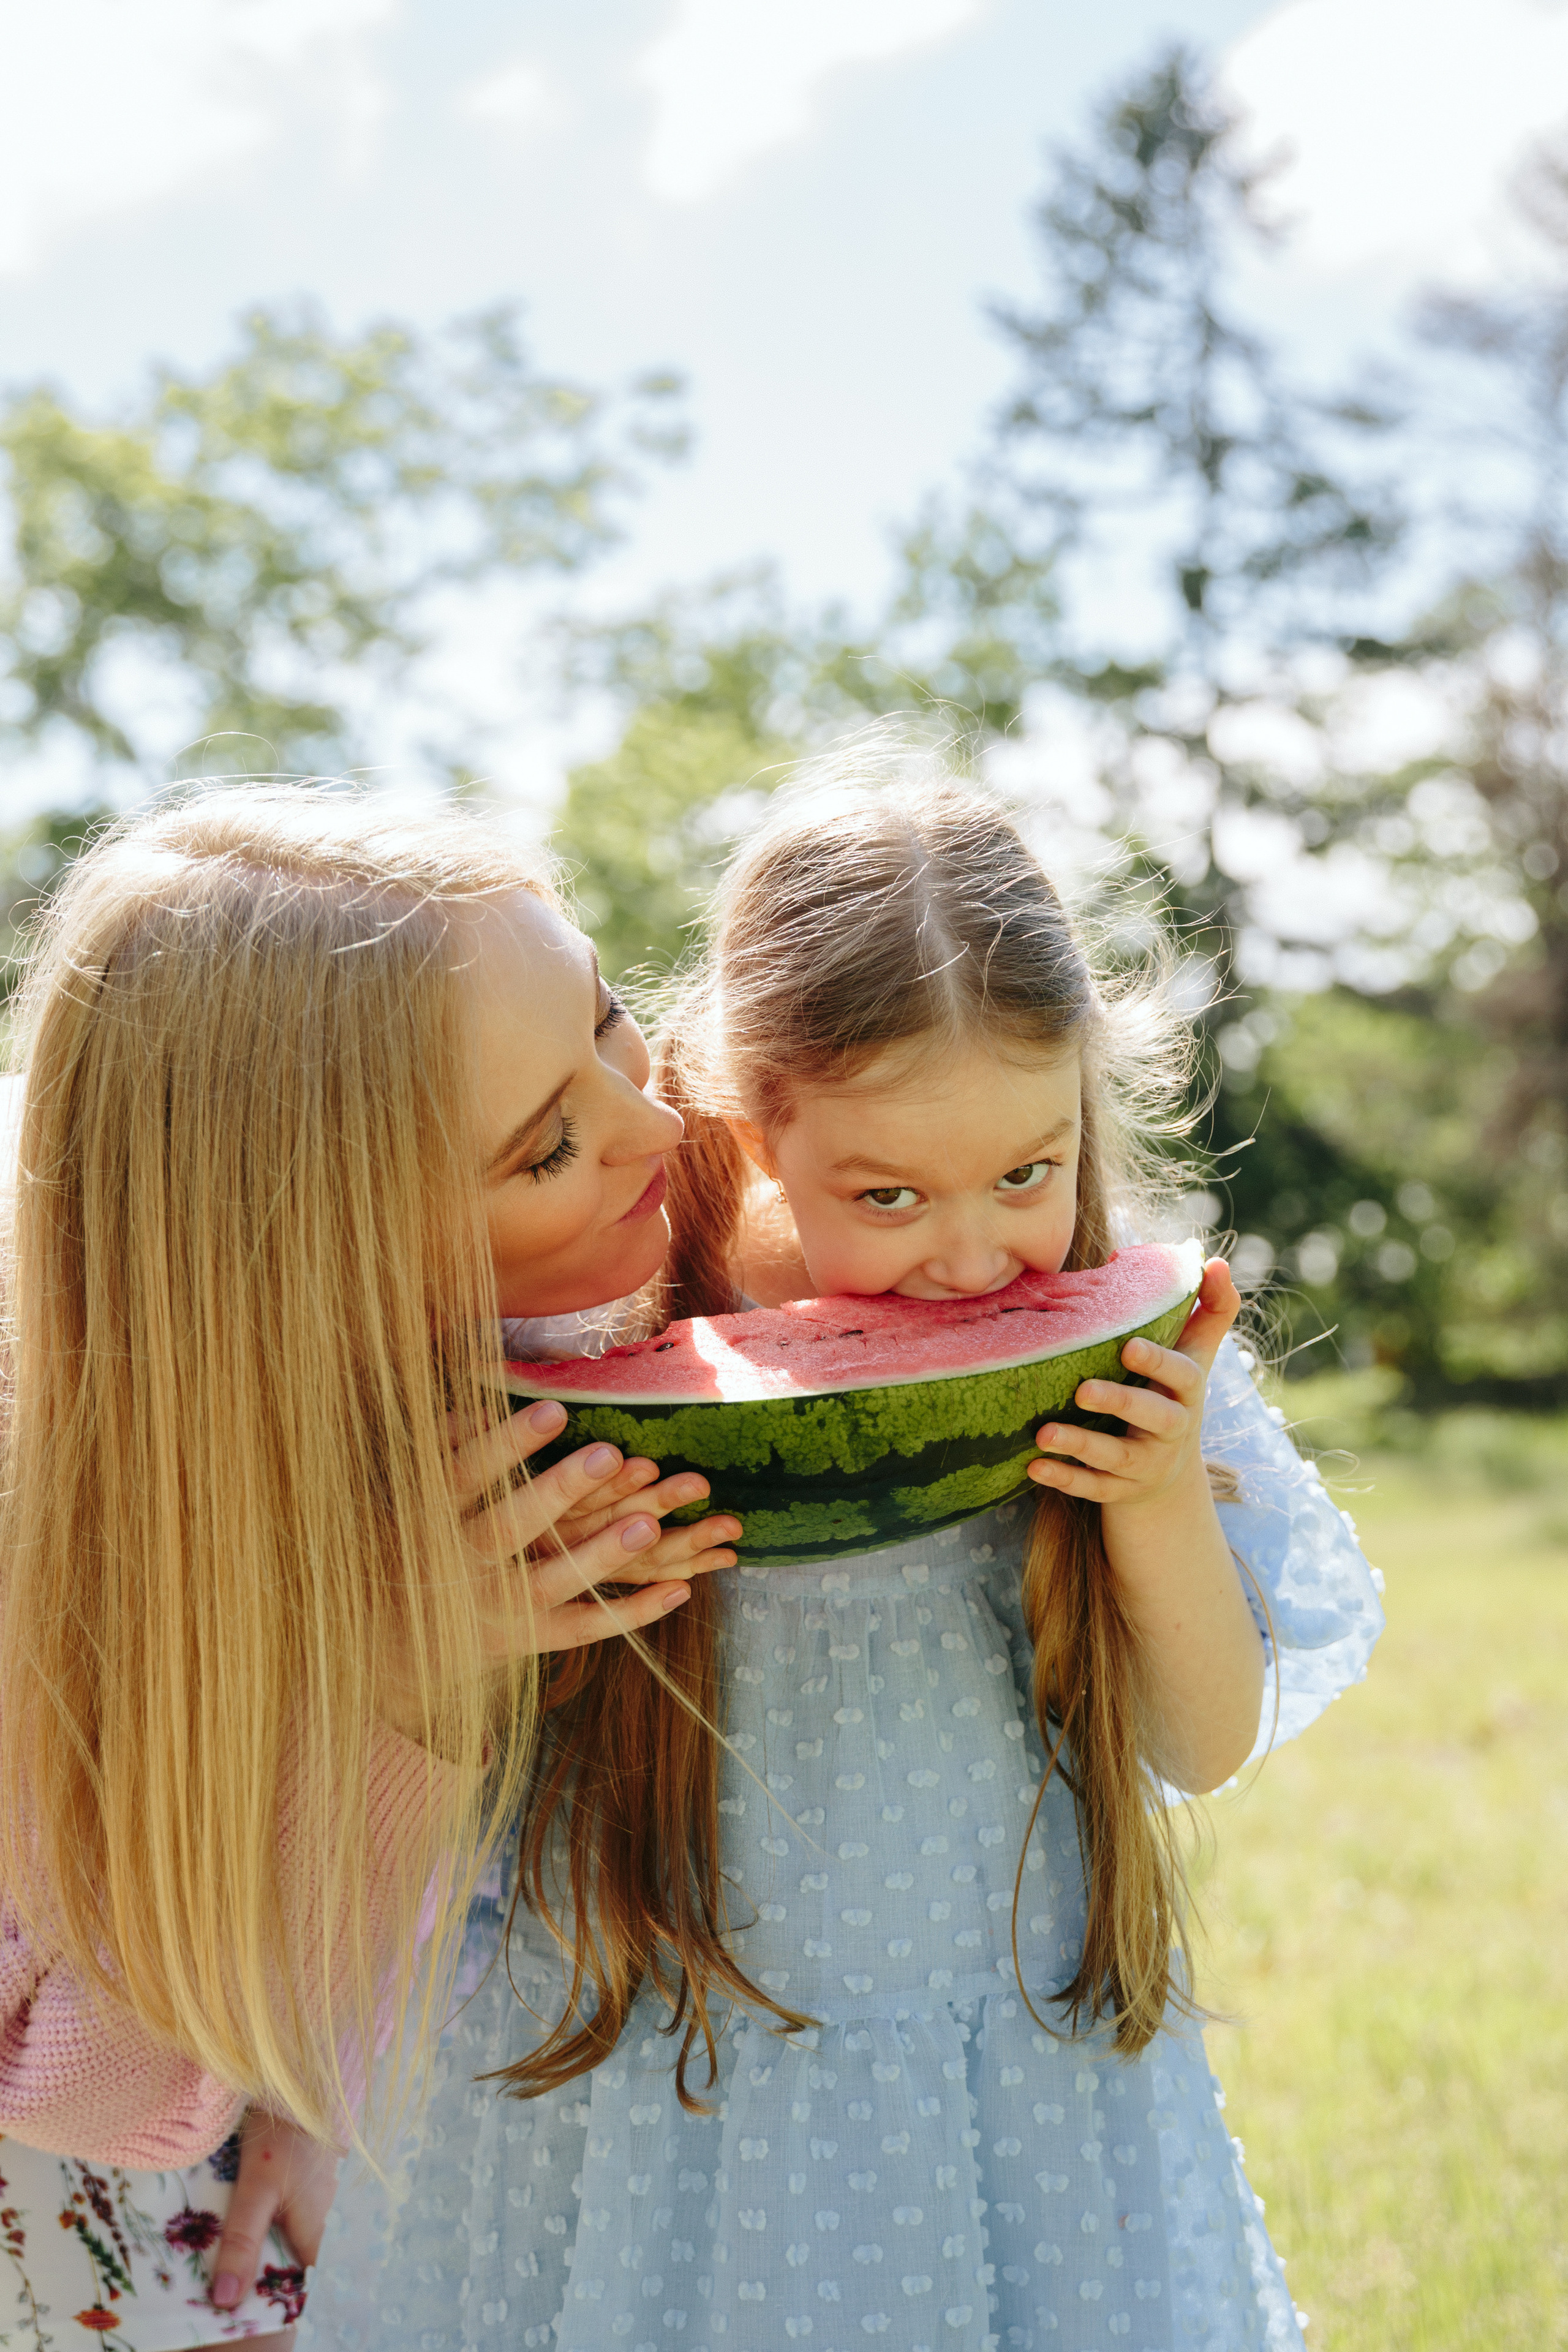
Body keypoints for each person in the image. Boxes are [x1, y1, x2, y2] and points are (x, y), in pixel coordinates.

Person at [301, 756, 1385, 2352]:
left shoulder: (1147, 1377)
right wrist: (455, 1629)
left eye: (1027, 1172)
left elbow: (1200, 1743)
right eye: (885, 1194)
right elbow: (430, 1793)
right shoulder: (595, 1339)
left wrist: (1153, 1502)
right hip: (630, 2088)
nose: (967, 1252)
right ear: (747, 1115)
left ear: (1087, 1100)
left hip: (1009, 2076)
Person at [0, 788, 742, 2345]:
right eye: (546, 1145)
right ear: (313, 1259)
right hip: (110, 2235)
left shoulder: (576, 1294)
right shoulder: (51, 1518)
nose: (655, 1123)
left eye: (606, 1024)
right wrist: (397, 1694)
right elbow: (85, 2082)